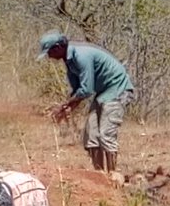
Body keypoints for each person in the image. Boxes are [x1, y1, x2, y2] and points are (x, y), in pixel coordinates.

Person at [39, 32, 134, 178]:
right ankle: (100, 175)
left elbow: (87, 89)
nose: (49, 56)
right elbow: (78, 90)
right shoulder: (69, 60)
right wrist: (68, 107)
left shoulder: (81, 56)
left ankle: (112, 174)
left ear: (58, 47)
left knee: (106, 134)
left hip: (117, 89)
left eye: (50, 52)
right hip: (103, 93)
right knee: (90, 136)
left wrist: (64, 105)